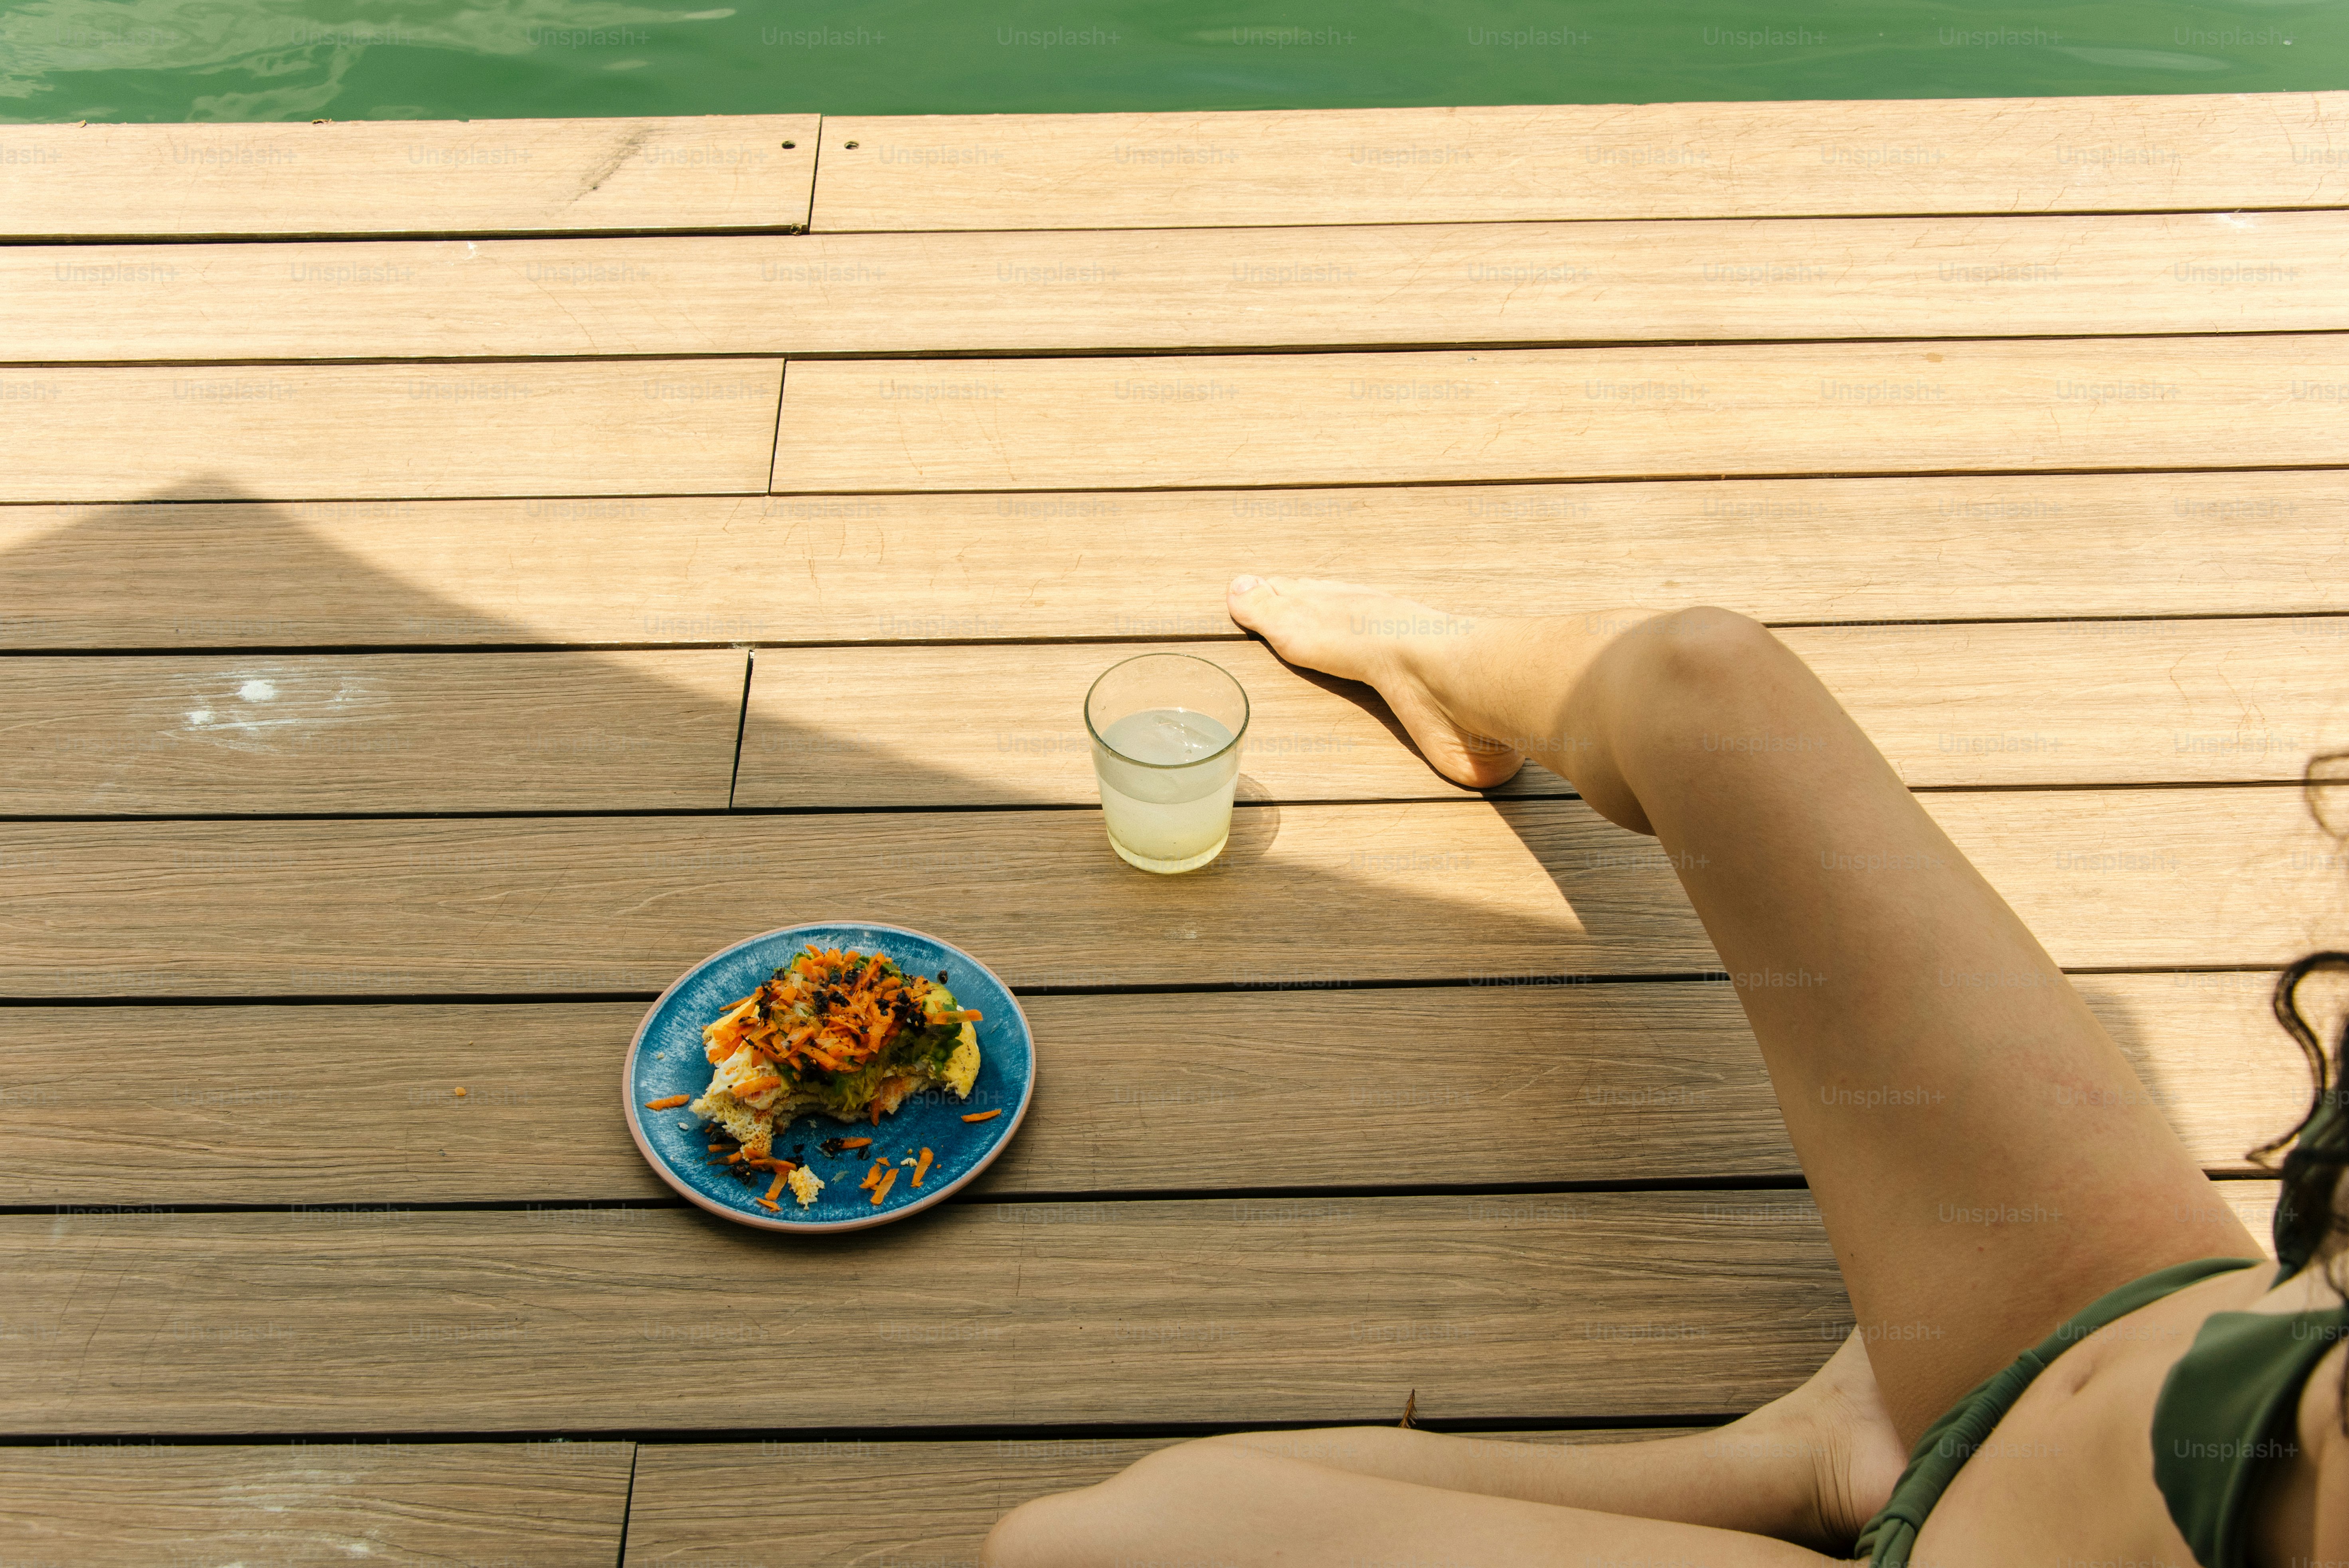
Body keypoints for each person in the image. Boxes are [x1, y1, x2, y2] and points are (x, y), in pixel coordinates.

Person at [982, 578, 2349, 1567]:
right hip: (2142, 1324)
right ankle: (1434, 657)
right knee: (1705, 677)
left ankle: (1805, 1467)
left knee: (1080, 1548)